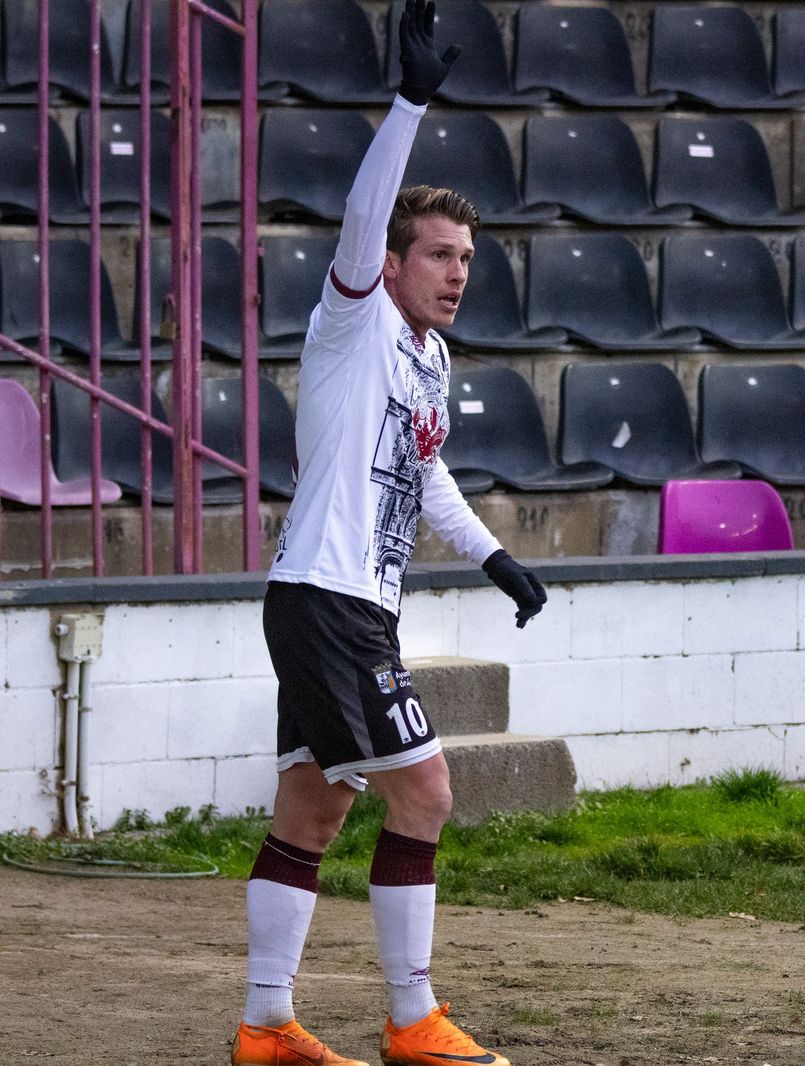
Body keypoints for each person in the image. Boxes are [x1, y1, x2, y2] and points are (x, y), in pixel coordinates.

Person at [231, 3, 545, 1063]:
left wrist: (493, 555)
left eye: (468, 257)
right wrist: (409, 103)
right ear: (393, 262)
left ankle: (265, 1026)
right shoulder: (355, 318)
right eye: (441, 254)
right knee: (428, 791)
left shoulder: (428, 358)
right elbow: (365, 215)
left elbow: (426, 467)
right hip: (328, 602)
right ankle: (413, 1019)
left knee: (312, 811)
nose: (458, 272)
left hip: (343, 602)